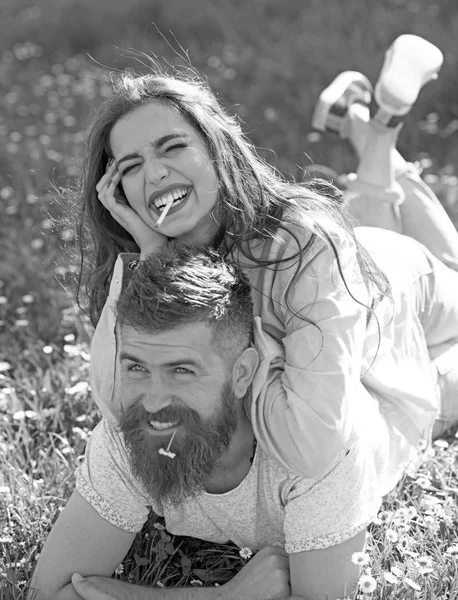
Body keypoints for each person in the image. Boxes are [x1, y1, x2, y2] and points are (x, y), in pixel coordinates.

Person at [77, 40, 458, 482]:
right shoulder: (146, 263)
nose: (156, 173)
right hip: (359, 287)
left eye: (173, 147)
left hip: (399, 284)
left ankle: (378, 128)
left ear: (216, 146)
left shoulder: (298, 241)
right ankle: (371, 125)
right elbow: (116, 408)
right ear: (118, 193)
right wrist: (155, 258)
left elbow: (314, 444)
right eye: (131, 166)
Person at [28, 240, 458, 600]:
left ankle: (379, 156)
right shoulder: (133, 432)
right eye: (137, 367)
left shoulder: (317, 445)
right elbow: (53, 593)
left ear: (242, 373)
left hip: (387, 292)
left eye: (182, 370)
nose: (154, 400)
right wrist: (221, 595)